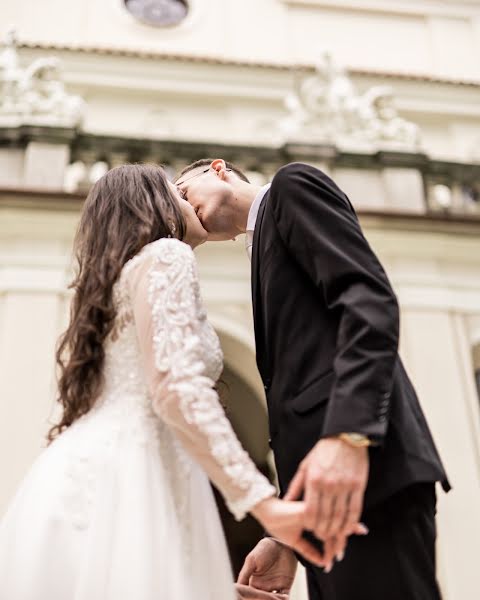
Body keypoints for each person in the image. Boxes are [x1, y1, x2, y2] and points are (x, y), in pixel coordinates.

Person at [0, 164, 325, 600]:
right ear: (150, 203)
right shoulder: (168, 255)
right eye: (175, 190)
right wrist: (264, 503)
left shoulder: (116, 289)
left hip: (88, 481)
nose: (187, 199)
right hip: (135, 469)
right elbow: (179, 389)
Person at [175, 159, 451, 600]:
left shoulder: (291, 187)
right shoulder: (260, 249)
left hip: (366, 476)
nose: (182, 207)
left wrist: (349, 437)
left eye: (183, 191)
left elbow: (368, 302)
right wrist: (287, 533)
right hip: (323, 502)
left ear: (218, 170)